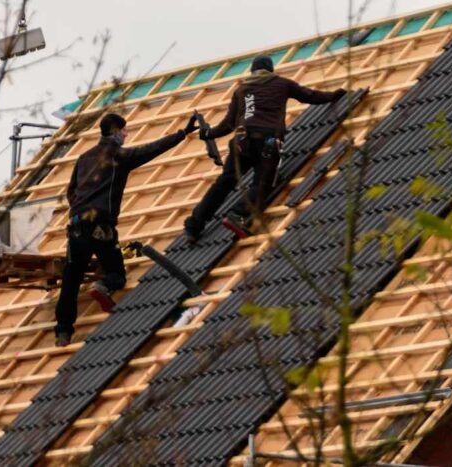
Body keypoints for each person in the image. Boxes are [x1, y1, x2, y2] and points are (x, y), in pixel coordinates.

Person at [55, 110, 199, 346]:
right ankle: (103, 286)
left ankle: (62, 331)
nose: (127, 134)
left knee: (71, 278)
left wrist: (81, 209)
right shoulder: (118, 156)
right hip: (101, 226)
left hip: (76, 226)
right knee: (117, 274)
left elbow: (71, 191)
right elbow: (151, 150)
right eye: (124, 130)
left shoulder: (84, 158)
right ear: (116, 132)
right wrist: (182, 133)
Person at [184, 55, 346, 240]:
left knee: (225, 182)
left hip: (241, 142)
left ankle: (193, 225)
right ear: (271, 70)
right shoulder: (282, 84)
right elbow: (309, 96)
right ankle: (237, 214)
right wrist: (334, 95)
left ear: (252, 71)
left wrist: (208, 134)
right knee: (263, 182)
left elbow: (228, 124)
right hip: (266, 142)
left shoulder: (242, 90)